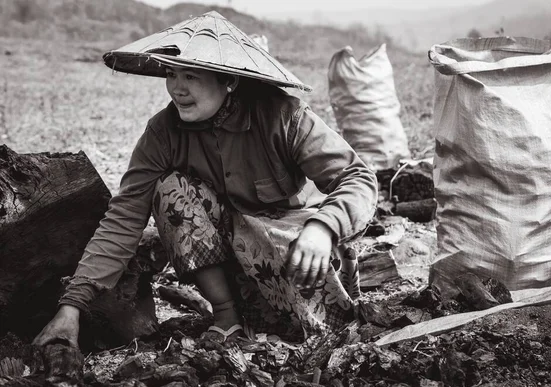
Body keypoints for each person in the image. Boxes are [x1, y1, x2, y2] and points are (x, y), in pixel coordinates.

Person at [33, 11, 377, 346]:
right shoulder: (163, 133)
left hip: (296, 255)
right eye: (171, 74)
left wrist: (323, 228)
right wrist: (71, 307)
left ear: (229, 80)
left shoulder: (283, 116)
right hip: (232, 271)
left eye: (192, 77)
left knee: (322, 325)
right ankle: (227, 318)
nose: (177, 89)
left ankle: (315, 321)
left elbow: (358, 179)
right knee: (171, 191)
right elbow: (123, 218)